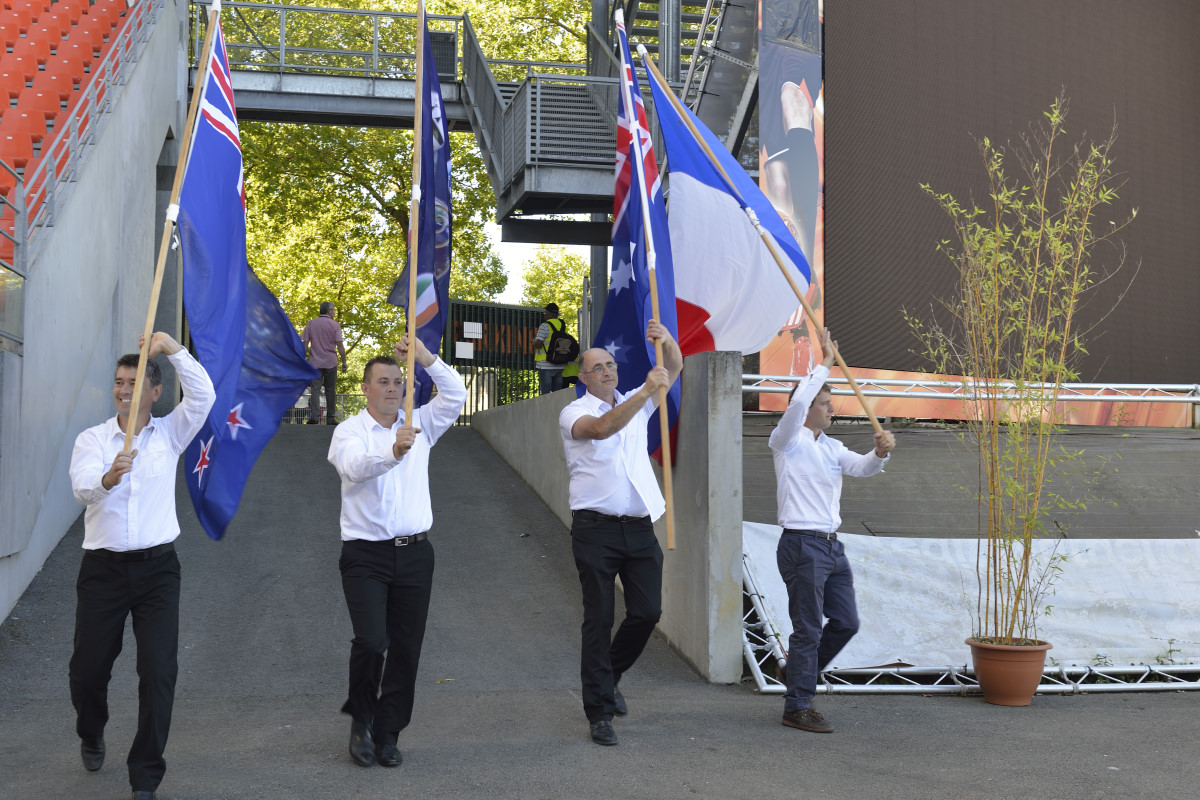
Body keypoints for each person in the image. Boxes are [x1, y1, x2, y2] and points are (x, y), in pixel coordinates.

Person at [67, 332, 216, 800]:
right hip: (103, 571)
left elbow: (205, 394)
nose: (124, 389)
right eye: (118, 381)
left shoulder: (171, 434)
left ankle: (145, 774)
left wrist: (172, 350)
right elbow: (82, 487)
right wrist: (109, 476)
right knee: (88, 671)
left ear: (155, 391)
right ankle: (91, 731)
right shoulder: (92, 440)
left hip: (157, 572)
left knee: (158, 672)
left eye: (135, 381)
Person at [327, 333, 466, 768]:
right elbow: (353, 467)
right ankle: (361, 719)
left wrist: (425, 357)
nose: (391, 389)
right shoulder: (349, 431)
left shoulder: (421, 421)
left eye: (396, 382)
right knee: (372, 641)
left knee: (406, 648)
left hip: (415, 555)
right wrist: (392, 451)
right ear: (365, 388)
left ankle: (387, 733)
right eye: (382, 382)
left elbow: (457, 393)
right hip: (365, 555)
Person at [558, 320, 683, 746]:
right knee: (599, 618)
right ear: (583, 378)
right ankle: (599, 712)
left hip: (638, 527)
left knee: (648, 612)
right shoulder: (574, 412)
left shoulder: (633, 401)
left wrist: (665, 341)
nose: (608, 371)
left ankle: (608, 676)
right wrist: (647, 392)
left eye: (611, 365)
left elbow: (676, 368)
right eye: (598, 368)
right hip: (595, 530)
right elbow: (602, 429)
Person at [768, 327, 895, 734]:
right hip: (802, 544)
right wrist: (823, 363)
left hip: (830, 547)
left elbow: (862, 468)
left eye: (830, 403)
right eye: (824, 403)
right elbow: (800, 400)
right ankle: (798, 706)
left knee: (846, 622)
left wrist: (878, 452)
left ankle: (796, 676)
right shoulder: (787, 440)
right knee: (808, 628)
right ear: (805, 409)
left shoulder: (832, 447)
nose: (831, 408)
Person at [301, 301, 348, 424]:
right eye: (333, 310)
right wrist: (344, 362)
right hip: (330, 362)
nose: (334, 312)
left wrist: (302, 360)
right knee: (331, 389)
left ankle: (314, 417)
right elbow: (339, 345)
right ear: (329, 311)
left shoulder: (310, 324)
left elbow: (305, 343)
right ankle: (331, 418)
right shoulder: (335, 325)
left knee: (315, 389)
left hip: (315, 363)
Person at [532, 302, 565, 395]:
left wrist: (533, 342)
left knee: (545, 395)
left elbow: (538, 344)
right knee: (557, 395)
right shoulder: (562, 325)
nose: (544, 315)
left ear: (548, 314)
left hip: (545, 364)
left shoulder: (545, 326)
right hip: (559, 364)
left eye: (545, 313)